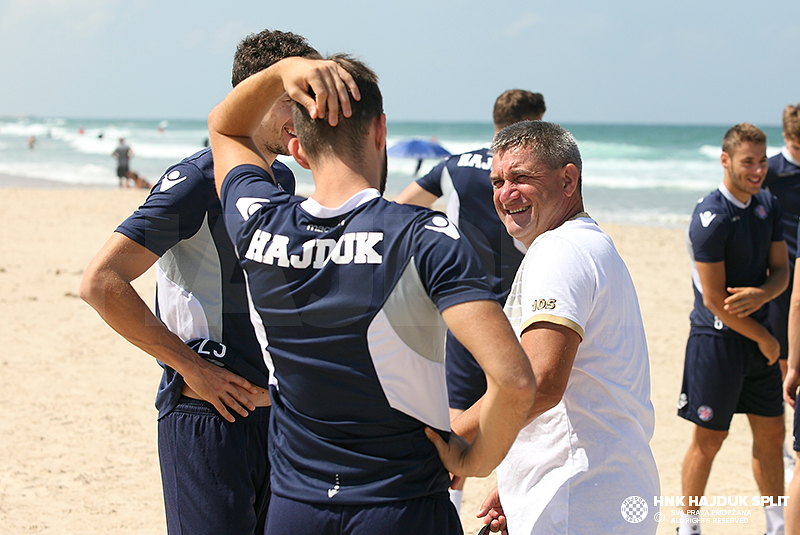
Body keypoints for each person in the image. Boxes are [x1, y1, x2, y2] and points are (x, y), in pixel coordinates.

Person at [207, 54, 537, 535]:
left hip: (295, 506)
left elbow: (225, 128)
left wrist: (283, 73)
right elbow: (514, 379)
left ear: (297, 149)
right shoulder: (423, 236)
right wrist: (476, 457)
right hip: (402, 503)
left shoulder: (261, 223)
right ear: (380, 131)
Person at [80, 30, 320, 535]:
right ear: (250, 95)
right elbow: (101, 281)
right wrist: (189, 365)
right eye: (294, 97)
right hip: (207, 417)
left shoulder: (283, 181)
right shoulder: (196, 180)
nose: (309, 112)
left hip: (274, 418)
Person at [451, 120, 659, 534]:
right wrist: (516, 475)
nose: (505, 194)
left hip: (576, 501)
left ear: (568, 180)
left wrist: (448, 441)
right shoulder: (590, 244)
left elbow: (540, 382)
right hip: (599, 490)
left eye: (521, 178)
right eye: (497, 181)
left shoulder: (559, 250)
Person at [395, 88, 545, 512]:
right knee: (520, 411)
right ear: (534, 123)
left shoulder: (454, 165)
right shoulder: (532, 172)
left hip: (465, 307)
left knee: (459, 420)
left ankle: (449, 512)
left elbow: (402, 209)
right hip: (520, 308)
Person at [677, 123, 788, 535]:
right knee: (709, 440)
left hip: (758, 339)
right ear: (725, 160)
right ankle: (688, 526)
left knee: (772, 436)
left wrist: (761, 296)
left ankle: (776, 525)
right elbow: (712, 297)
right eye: (748, 162)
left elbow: (781, 272)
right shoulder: (711, 216)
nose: (757, 170)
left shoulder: (767, 205)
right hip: (717, 341)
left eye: (761, 161)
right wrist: (764, 336)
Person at [763, 103, 800, 482]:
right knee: (787, 364)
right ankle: (793, 446)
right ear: (787, 138)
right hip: (781, 282)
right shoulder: (770, 172)